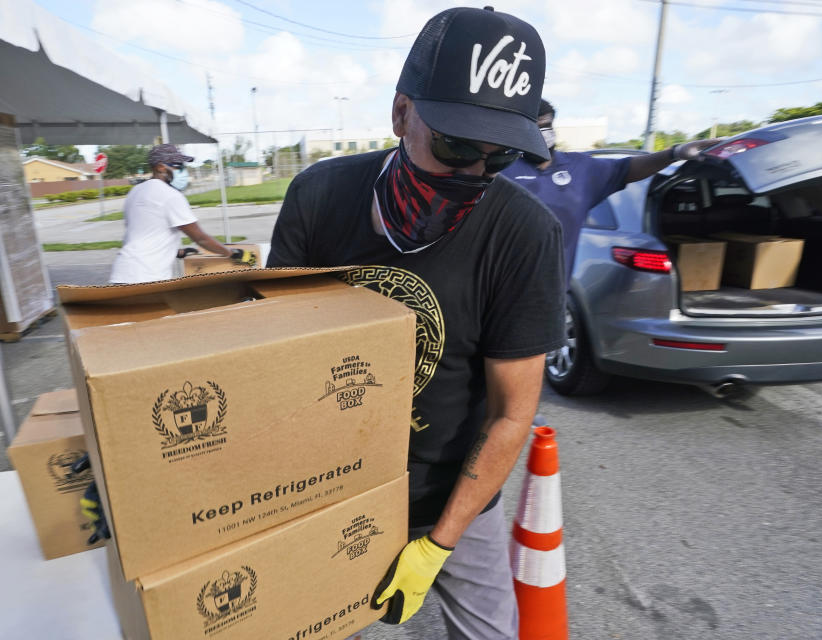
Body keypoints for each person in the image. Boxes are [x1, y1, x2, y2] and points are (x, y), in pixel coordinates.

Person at [266, 7, 564, 639]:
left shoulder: (524, 234)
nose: (473, 173)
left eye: (500, 155)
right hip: (325, 487)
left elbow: (513, 413)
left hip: (452, 496)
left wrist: (439, 544)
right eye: (455, 144)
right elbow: (268, 356)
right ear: (401, 112)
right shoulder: (321, 197)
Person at [501, 99, 721, 285]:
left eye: (547, 125)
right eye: (537, 126)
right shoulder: (503, 170)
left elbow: (628, 168)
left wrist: (675, 153)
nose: (544, 132)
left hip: (553, 295)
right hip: (503, 290)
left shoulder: (580, 169)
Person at [108, 143, 253, 283]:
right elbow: (200, 238)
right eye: (178, 165)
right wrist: (232, 253)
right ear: (160, 167)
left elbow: (144, 233)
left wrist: (178, 252)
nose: (183, 170)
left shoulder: (136, 191)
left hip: (122, 272)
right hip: (147, 276)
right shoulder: (170, 195)